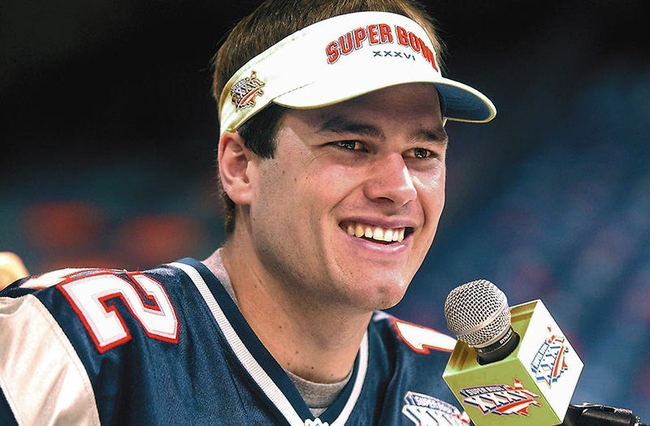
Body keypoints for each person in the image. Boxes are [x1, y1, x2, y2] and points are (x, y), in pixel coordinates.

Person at [0, 0, 496, 424]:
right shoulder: (77, 346)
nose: (399, 188)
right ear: (240, 166)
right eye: (351, 144)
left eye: (423, 153)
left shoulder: (469, 396)